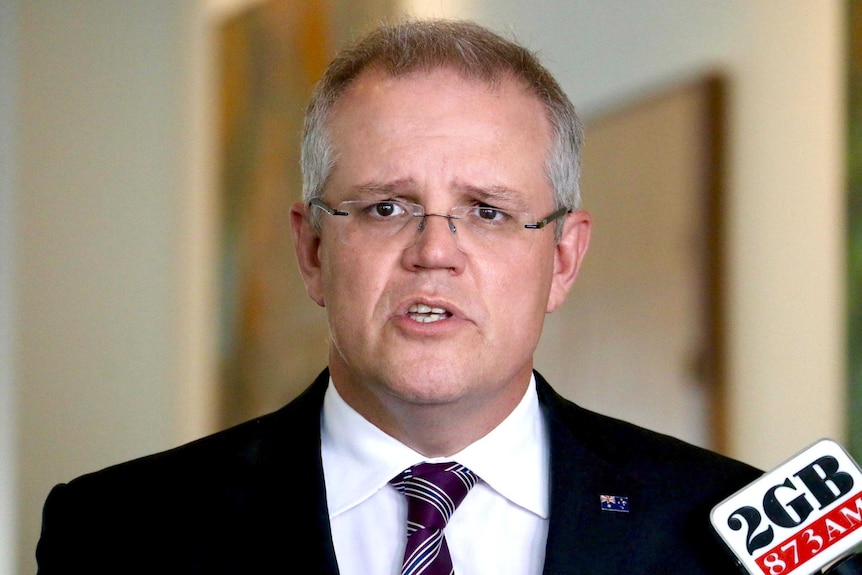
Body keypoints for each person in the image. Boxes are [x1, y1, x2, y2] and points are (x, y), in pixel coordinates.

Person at [36, 19, 761, 574]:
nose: (434, 252)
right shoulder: (117, 530)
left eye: (487, 210)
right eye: (387, 207)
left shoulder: (722, 528)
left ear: (563, 257)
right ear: (313, 250)